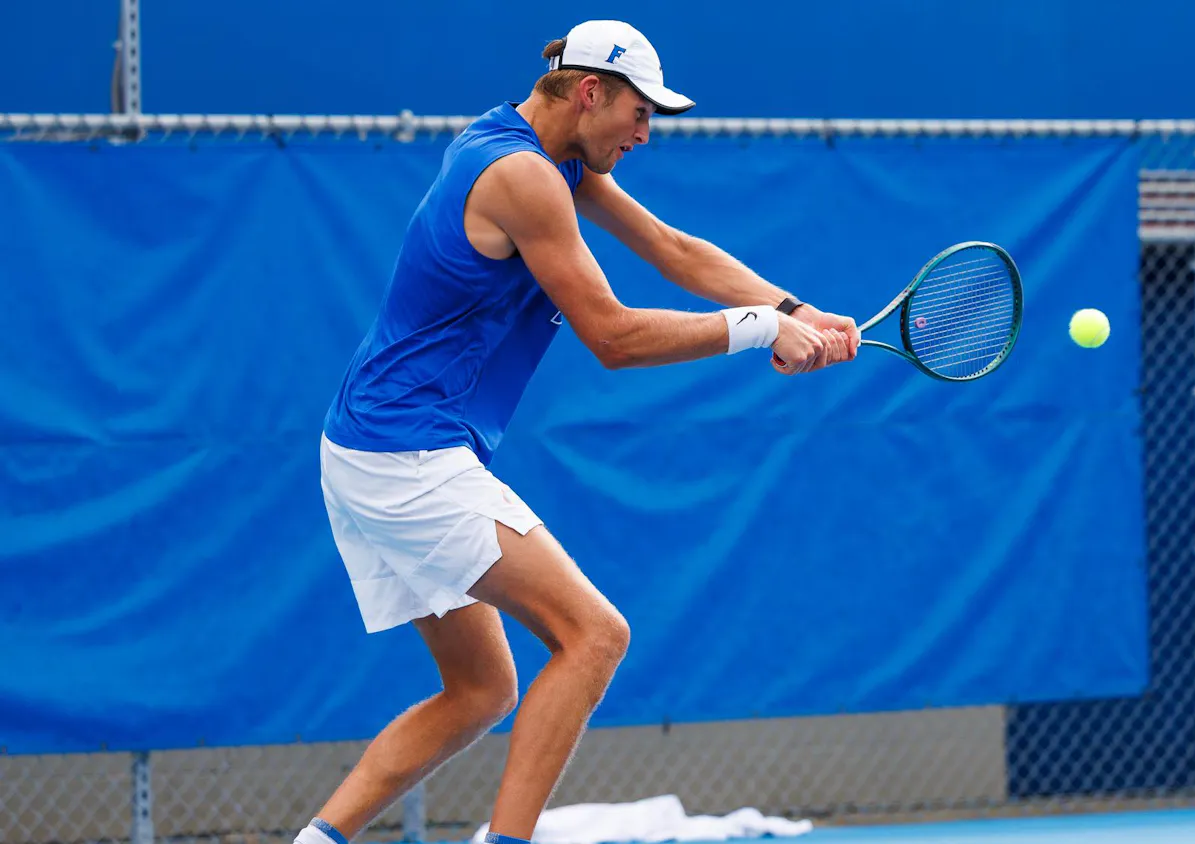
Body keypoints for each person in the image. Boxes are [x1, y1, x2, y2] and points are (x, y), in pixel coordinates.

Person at [300, 19, 861, 844]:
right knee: (594, 636)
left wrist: (795, 312)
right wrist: (752, 331)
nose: (646, 132)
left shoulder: (547, 154)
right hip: (404, 453)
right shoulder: (523, 175)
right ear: (591, 91)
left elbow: (671, 247)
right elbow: (613, 337)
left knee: (481, 691)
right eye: (640, 112)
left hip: (368, 446)